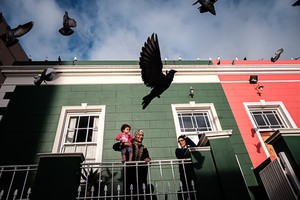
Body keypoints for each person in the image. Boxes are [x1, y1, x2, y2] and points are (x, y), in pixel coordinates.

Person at [124, 129, 151, 199]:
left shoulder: (144, 148)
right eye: (139, 135)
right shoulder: (129, 145)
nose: (141, 137)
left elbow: (148, 158)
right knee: (131, 193)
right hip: (130, 174)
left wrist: (148, 160)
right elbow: (117, 148)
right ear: (135, 136)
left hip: (141, 175)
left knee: (141, 194)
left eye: (142, 135)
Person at [175, 135, 197, 200]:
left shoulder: (190, 148)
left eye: (182, 140)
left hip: (192, 171)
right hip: (184, 172)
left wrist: (187, 139)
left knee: (195, 189)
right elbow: (181, 154)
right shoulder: (177, 150)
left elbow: (195, 147)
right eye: (179, 141)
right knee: (187, 190)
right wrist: (187, 151)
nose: (180, 142)